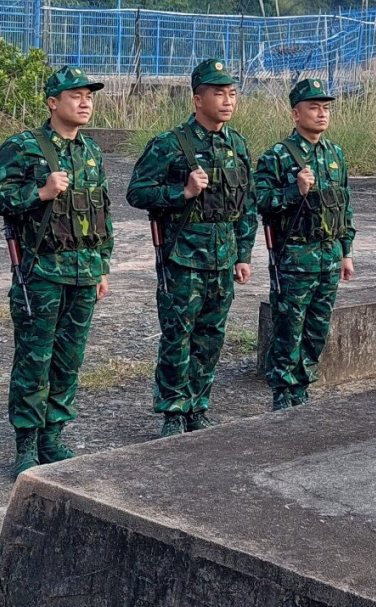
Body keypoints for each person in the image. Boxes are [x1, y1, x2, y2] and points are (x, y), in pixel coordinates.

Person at [0, 66, 114, 476]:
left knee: (69, 358)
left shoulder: (91, 152)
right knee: (34, 359)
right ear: (53, 102)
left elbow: (101, 212)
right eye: (76, 96)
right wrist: (38, 193)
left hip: (84, 271)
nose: (85, 102)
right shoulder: (23, 147)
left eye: (89, 96)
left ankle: (53, 435)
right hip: (41, 272)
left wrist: (103, 266)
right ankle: (26, 444)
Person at [127, 59, 257, 438]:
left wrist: (243, 254)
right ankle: (172, 411)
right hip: (183, 257)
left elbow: (246, 206)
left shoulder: (238, 145)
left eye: (232, 93)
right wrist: (180, 192)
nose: (228, 101)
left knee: (211, 337)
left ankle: (198, 406)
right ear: (197, 99)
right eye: (219, 93)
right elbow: (137, 192)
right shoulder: (170, 145)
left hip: (223, 257)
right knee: (177, 336)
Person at [254, 78, 356, 411]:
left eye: (325, 108)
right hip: (295, 258)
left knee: (317, 329)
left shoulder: (335, 154)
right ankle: (284, 393)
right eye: (314, 107)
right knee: (288, 329)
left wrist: (346, 251)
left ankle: (304, 387)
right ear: (296, 114)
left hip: (328, 257)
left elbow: (343, 205)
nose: (322, 113)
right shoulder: (278, 156)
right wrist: (293, 191)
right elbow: (261, 202)